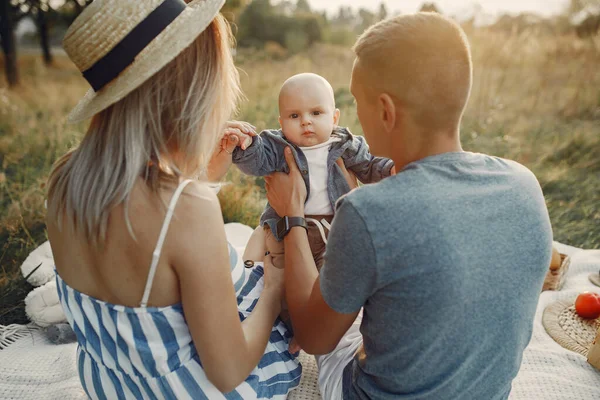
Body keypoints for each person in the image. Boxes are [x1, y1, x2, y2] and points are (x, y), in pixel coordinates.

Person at [264, 12, 553, 400]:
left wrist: (292, 214)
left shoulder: (367, 211)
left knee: (337, 323)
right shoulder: (524, 183)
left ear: (385, 110)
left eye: (356, 102)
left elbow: (314, 339)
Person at [46, 1, 301, 398]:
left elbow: (144, 249)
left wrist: (200, 179)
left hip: (113, 385)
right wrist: (274, 289)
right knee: (264, 275)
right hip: (190, 391)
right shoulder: (187, 209)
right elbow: (228, 371)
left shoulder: (63, 177)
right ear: (191, 91)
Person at [230, 73, 394, 350]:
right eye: (294, 116)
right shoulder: (277, 146)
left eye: (316, 112)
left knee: (326, 287)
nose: (306, 121)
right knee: (280, 280)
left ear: (334, 117)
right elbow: (255, 163)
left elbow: (369, 166)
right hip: (286, 229)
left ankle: (309, 329)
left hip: (333, 232)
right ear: (281, 123)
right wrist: (243, 145)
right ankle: (284, 327)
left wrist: (389, 169)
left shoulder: (346, 145)